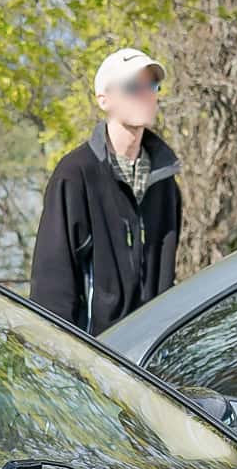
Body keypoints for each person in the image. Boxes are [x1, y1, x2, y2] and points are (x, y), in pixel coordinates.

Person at [32, 46, 185, 333]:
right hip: (94, 355)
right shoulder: (74, 174)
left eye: (151, 85)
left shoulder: (165, 182)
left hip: (149, 355)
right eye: (132, 87)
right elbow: (52, 285)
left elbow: (165, 280)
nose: (146, 95)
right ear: (104, 99)